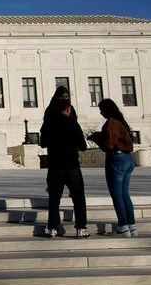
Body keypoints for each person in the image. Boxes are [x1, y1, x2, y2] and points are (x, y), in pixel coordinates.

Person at [39, 98, 89, 238]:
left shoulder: (48, 124)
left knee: (54, 198)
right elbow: (83, 146)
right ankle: (81, 228)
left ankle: (53, 227)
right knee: (78, 197)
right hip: (71, 165)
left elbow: (43, 144)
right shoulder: (73, 124)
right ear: (68, 109)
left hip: (54, 166)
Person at [88, 98, 137, 237]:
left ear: (107, 110)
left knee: (117, 195)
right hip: (128, 158)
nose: (100, 113)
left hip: (117, 158)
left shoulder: (111, 122)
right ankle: (131, 226)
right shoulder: (121, 122)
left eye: (101, 110)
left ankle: (123, 226)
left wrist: (96, 139)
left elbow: (108, 145)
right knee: (124, 194)